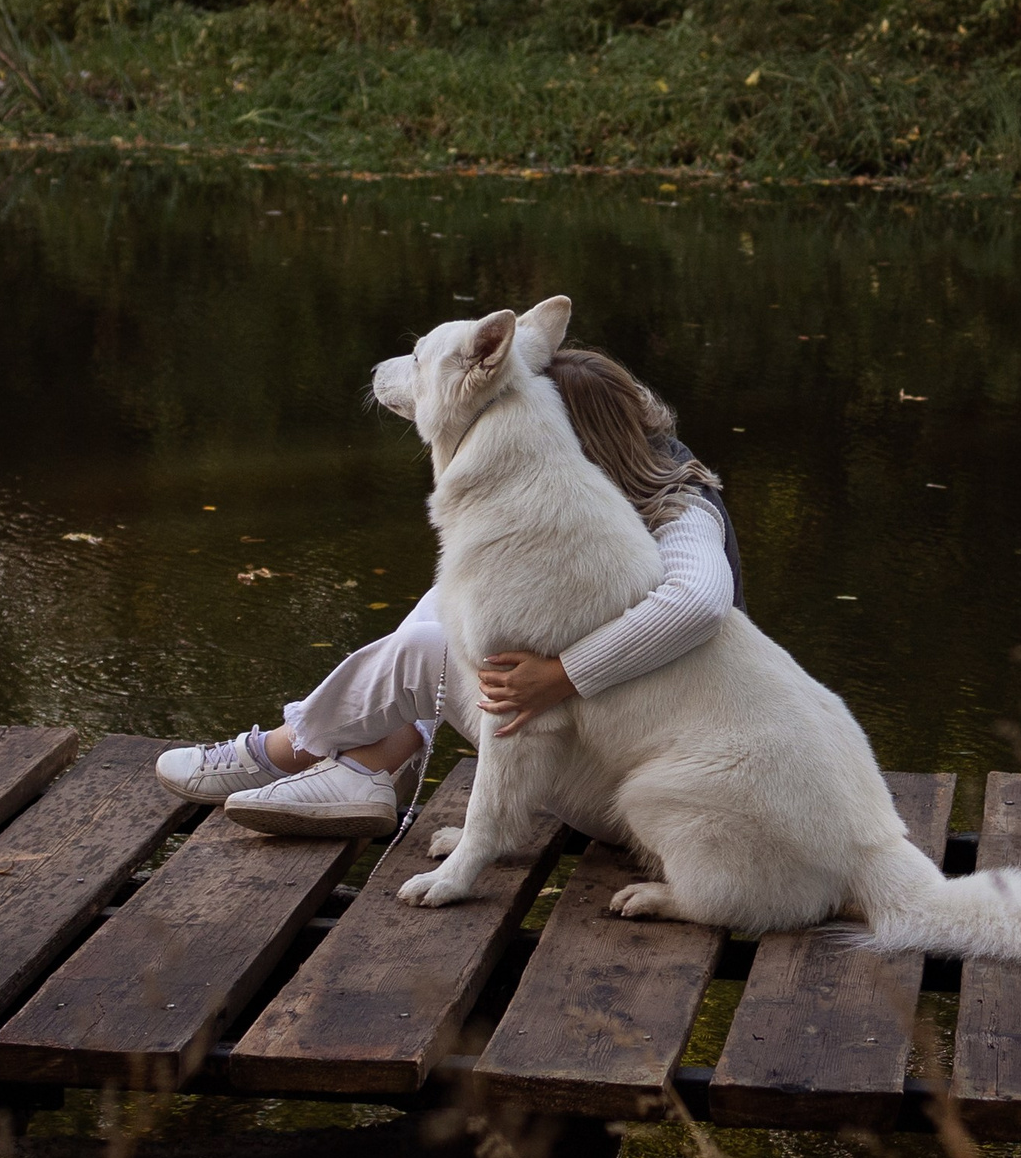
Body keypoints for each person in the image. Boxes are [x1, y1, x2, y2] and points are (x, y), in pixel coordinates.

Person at [155, 346, 744, 838]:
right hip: (598, 753)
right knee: (454, 598)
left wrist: (563, 673)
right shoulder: (585, 506)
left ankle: (284, 753)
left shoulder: (680, 506)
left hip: (644, 799)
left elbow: (698, 603)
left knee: (424, 652)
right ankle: (369, 766)